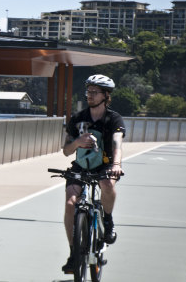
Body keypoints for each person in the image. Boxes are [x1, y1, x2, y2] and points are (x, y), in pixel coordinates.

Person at [60, 74, 126, 274]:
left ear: (106, 96)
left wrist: (116, 164)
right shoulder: (78, 119)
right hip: (81, 166)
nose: (89, 95)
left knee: (107, 184)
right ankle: (74, 253)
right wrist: (77, 143)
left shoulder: (113, 119)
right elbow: (66, 150)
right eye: (88, 91)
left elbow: (117, 142)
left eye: (94, 92)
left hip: (105, 165)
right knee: (71, 203)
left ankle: (107, 219)